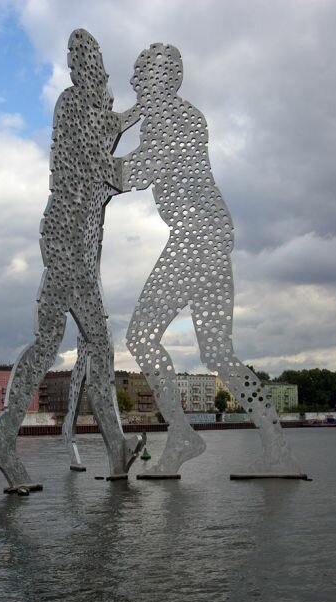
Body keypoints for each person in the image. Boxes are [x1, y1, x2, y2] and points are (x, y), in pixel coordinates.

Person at [117, 43, 300, 475]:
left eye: (142, 77)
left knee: (141, 337)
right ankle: (276, 448)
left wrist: (89, 160)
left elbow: (137, 174)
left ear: (164, 81)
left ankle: (181, 435)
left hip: (196, 239)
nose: (134, 84)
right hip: (209, 236)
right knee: (218, 353)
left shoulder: (174, 119)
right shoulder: (172, 117)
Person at [0, 29, 142, 488]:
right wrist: (143, 116)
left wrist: (135, 114)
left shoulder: (87, 110)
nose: (107, 79)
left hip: (72, 248)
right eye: (102, 70)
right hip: (68, 246)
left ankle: (5, 434)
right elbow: (104, 162)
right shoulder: (73, 105)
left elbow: (107, 141)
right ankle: (115, 449)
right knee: (98, 346)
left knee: (52, 341)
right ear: (86, 70)